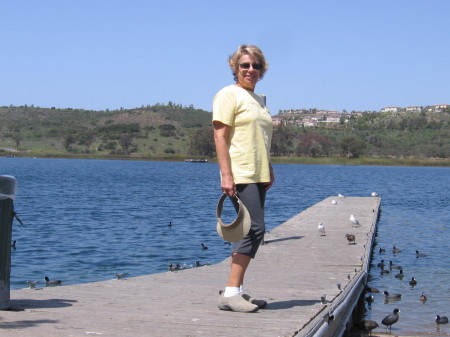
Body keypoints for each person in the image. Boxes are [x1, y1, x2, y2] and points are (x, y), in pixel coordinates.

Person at [212, 44, 274, 313]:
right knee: (254, 229)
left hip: (258, 173)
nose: (250, 70)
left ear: (262, 70)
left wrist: (269, 168)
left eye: (255, 65)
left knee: (252, 230)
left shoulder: (259, 99)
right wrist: (226, 174)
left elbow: (260, 138)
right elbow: (219, 136)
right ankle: (230, 293)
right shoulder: (228, 95)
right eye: (244, 65)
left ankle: (237, 291)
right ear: (235, 68)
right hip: (241, 173)